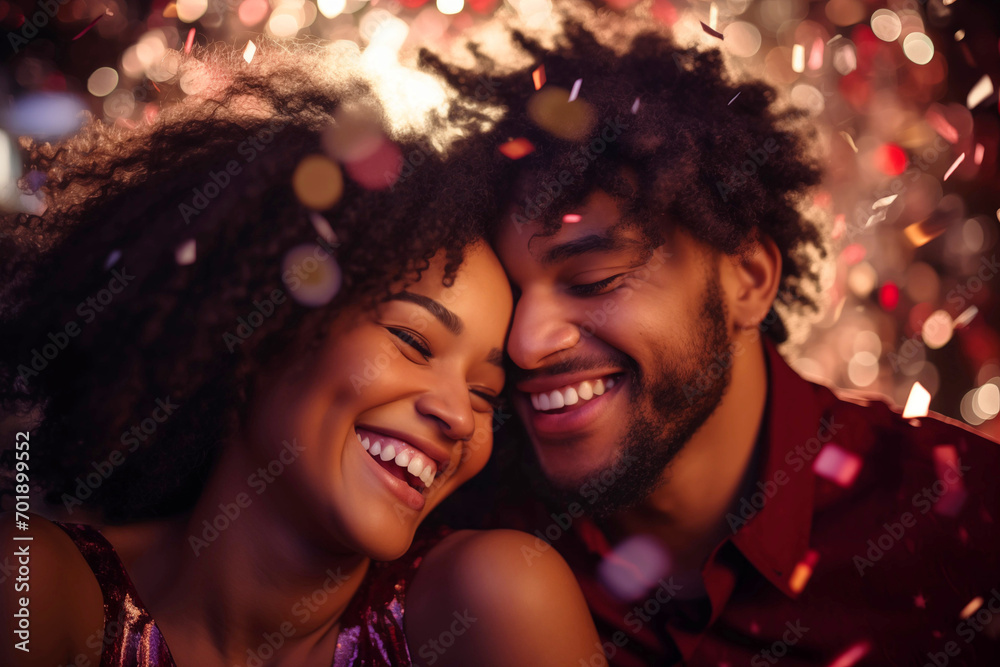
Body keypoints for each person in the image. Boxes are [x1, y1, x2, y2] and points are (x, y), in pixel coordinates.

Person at [0, 41, 604, 667]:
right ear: (261, 328)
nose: (458, 417)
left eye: (485, 395)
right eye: (413, 341)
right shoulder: (32, 594)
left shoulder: (494, 600)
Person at [425, 10, 1000, 666]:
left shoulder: (967, 527)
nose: (526, 344)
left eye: (594, 279)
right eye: (509, 294)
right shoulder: (460, 519)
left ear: (749, 280)